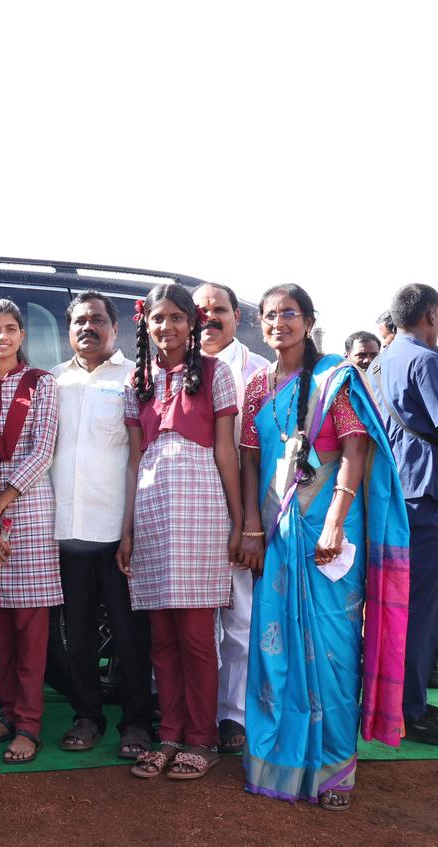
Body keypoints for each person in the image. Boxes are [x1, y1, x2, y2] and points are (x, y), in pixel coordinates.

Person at [241, 284, 409, 809]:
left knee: (335, 651)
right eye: (269, 315)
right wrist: (250, 525)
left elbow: (356, 451)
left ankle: (336, 768)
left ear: (309, 320)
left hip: (329, 535)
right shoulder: (255, 387)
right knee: (274, 647)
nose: (278, 323)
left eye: (289, 314)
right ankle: (279, 761)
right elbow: (251, 463)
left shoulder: (335, 378)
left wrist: (335, 522)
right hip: (278, 534)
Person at [120, 283, 242, 781]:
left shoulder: (216, 374)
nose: (166, 327)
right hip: (151, 510)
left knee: (196, 636)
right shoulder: (138, 381)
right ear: (145, 325)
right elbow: (133, 461)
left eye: (176, 317)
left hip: (201, 510)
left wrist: (242, 523)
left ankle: (202, 738)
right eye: (157, 318)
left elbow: (226, 452)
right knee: (162, 638)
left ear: (192, 324)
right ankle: (169, 734)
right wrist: (126, 530)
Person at [51, 291, 155, 759]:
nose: (87, 328)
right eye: (78, 321)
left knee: (131, 634)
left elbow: (140, 457)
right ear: (68, 330)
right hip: (66, 533)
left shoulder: (136, 378)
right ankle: (87, 715)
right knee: (78, 635)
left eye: (97, 320)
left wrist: (131, 528)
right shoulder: (54, 382)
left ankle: (136, 721)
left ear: (115, 329)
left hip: (118, 531)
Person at [0, 300, 60, 765]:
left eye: (10, 329)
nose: (1, 337)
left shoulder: (42, 384)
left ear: (22, 334)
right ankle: (5, 714)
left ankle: (29, 724)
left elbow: (42, 450)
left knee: (29, 628)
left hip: (25, 512)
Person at [193, 282, 271, 755]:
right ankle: (181, 706)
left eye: (218, 310)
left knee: (239, 618)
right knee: (187, 614)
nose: (208, 318)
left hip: (240, 510)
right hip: (186, 513)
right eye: (199, 310)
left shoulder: (259, 372)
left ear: (236, 316)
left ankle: (232, 715)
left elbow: (257, 456)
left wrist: (250, 525)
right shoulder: (171, 369)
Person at [369, 283, 438, 746]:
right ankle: (408, 709)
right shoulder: (426, 361)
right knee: (420, 611)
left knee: (394, 608)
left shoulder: (377, 362)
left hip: (390, 497)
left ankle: (396, 702)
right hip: (426, 501)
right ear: (431, 315)